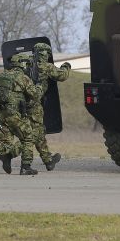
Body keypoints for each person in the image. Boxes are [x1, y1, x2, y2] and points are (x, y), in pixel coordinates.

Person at [0, 53, 42, 175]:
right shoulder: (23, 78)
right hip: (15, 114)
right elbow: (36, 95)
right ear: (23, 64)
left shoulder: (0, 76)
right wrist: (39, 86)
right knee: (29, 137)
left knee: (5, 144)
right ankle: (25, 167)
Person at [29, 42, 71, 170]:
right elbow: (62, 76)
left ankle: (48, 160)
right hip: (35, 104)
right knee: (34, 134)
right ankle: (8, 153)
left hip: (22, 103)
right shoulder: (46, 66)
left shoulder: (26, 64)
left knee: (34, 132)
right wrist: (66, 66)